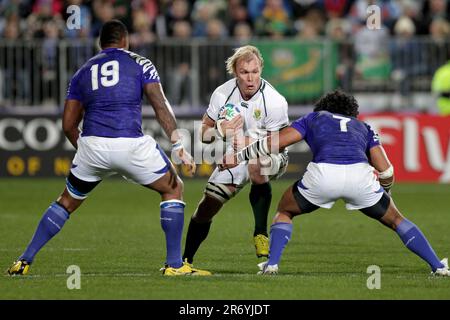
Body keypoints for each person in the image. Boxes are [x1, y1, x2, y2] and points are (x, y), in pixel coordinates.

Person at [7, 20, 210, 276]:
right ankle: (174, 265)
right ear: (125, 40)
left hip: (92, 146)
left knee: (66, 201)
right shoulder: (140, 63)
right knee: (173, 188)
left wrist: (85, 149)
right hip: (131, 145)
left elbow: (68, 124)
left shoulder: (83, 71)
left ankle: (23, 261)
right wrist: (178, 143)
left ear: (100, 43)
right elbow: (160, 103)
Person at [220, 90, 449, 276]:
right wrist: (385, 192)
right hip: (360, 177)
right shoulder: (364, 127)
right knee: (397, 220)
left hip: (323, 175)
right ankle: (438, 267)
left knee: (284, 211)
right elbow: (386, 170)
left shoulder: (314, 118)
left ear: (323, 107)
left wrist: (238, 156)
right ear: (352, 112)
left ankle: (272, 265)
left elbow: (275, 143)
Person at [182, 45, 289, 265]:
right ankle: (185, 261)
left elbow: (277, 142)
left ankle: (260, 234)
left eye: (255, 71)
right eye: (244, 72)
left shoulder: (274, 101)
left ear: (261, 69)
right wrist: (221, 131)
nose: (251, 78)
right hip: (237, 152)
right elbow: (204, 134)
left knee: (257, 164)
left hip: (272, 153)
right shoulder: (222, 93)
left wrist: (243, 148)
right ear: (234, 72)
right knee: (207, 206)